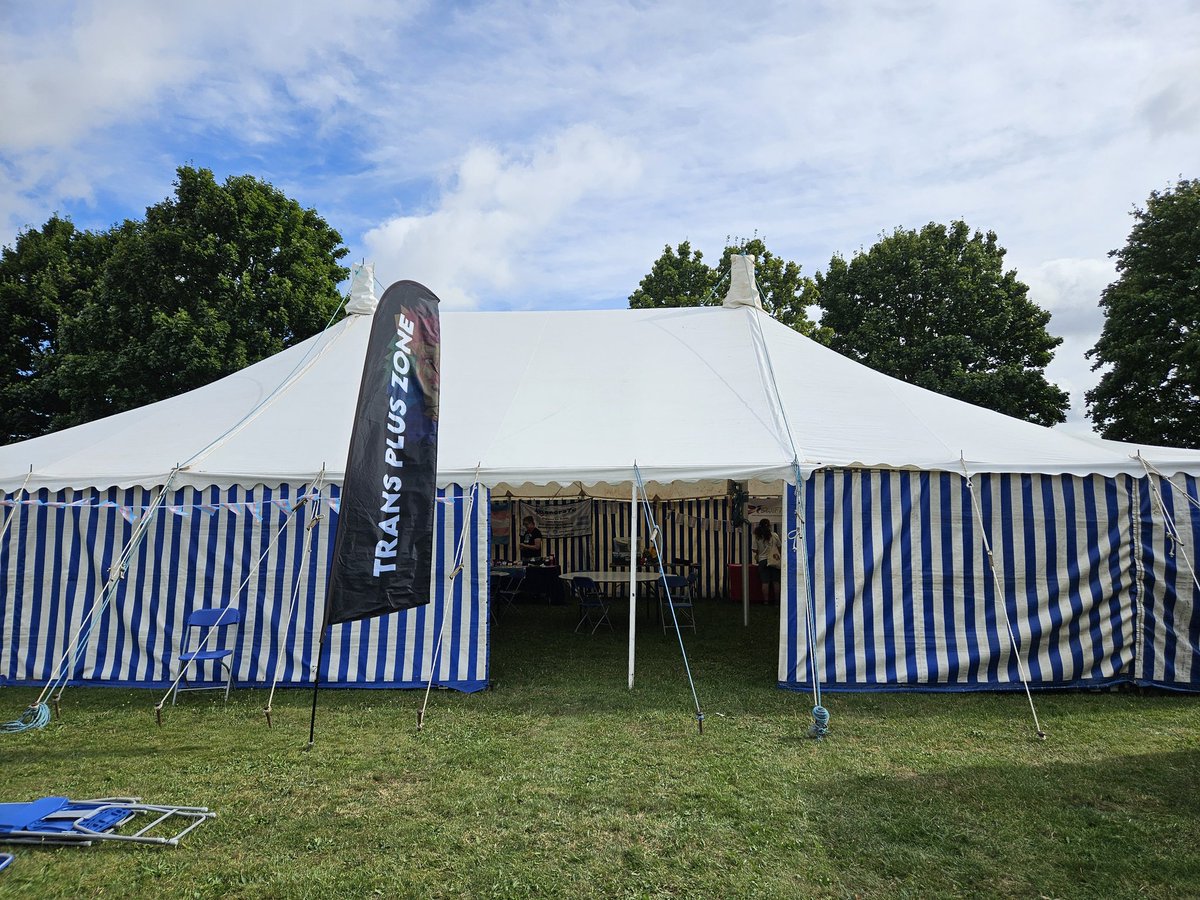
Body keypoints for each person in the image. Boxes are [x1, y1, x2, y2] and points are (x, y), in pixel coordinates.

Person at [752, 518, 781, 605]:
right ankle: (777, 602)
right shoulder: (774, 535)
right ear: (769, 526)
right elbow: (780, 547)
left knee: (765, 582)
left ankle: (766, 602)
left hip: (762, 560)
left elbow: (754, 550)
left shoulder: (757, 537)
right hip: (774, 560)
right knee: (776, 582)